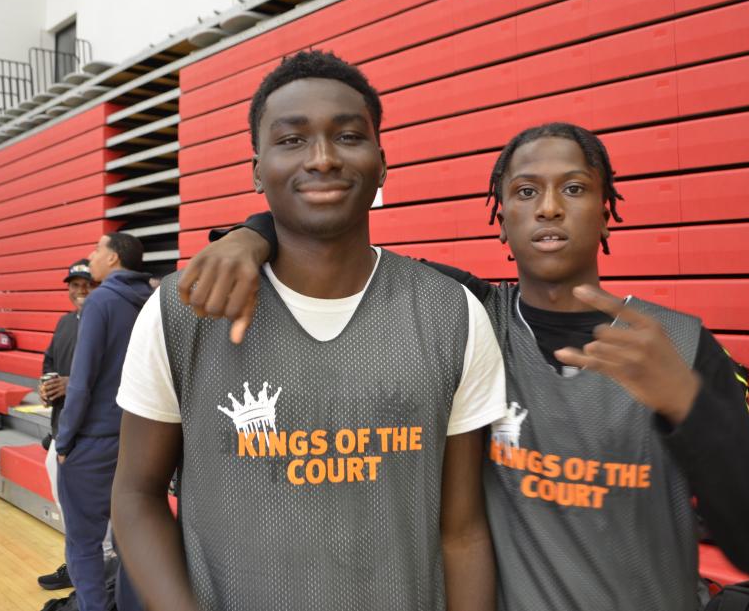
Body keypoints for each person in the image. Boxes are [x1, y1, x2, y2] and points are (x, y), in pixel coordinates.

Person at [184, 121, 749, 609]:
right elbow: (331, 241)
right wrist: (250, 234)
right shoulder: (468, 316)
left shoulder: (677, 347)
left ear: (607, 210)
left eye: (575, 188)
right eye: (526, 191)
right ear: (499, 218)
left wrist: (687, 405)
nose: (550, 207)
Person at [112, 50, 506, 611]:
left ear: (382, 162)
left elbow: (463, 530)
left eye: (347, 136)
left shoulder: (454, 314)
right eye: (292, 140)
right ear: (256, 169)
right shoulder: (181, 311)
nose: (322, 158)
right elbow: (134, 494)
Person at [56, 233, 153, 611]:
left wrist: (64, 441)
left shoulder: (101, 301)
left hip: (94, 439)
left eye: (97, 249)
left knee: (83, 543)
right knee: (131, 542)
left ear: (113, 259)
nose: (91, 255)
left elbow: (81, 381)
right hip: (142, 440)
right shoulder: (151, 301)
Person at [37, 258, 96, 592]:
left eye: (86, 283)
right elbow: (49, 364)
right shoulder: (64, 323)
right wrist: (44, 386)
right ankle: (78, 567)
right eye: (74, 284)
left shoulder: (107, 320)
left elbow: (117, 376)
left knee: (92, 515)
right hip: (62, 430)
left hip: (92, 434)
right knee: (67, 509)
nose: (80, 290)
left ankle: (97, 577)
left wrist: (71, 382)